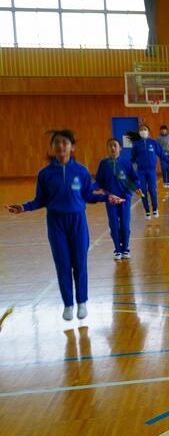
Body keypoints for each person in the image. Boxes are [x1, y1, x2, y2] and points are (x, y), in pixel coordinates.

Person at [5, 130, 125, 321]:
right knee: (63, 264)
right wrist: (24, 207)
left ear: (72, 147)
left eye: (65, 142)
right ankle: (68, 304)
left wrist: (106, 197)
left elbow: (87, 196)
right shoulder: (45, 174)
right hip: (56, 224)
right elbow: (40, 200)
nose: (61, 146)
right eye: (57, 143)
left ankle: (82, 302)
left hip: (77, 222)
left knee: (80, 263)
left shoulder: (81, 171)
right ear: (52, 147)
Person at [95, 138, 143, 260]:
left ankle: (125, 248)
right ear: (107, 148)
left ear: (120, 148)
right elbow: (99, 181)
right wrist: (90, 187)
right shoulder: (104, 164)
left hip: (125, 199)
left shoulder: (126, 163)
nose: (112, 148)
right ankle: (117, 249)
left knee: (125, 225)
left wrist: (134, 188)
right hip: (111, 199)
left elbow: (135, 179)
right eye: (110, 145)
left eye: (115, 145)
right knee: (114, 225)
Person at [127, 124, 169, 220]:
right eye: (141, 130)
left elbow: (162, 155)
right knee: (142, 191)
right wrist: (125, 165)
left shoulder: (153, 142)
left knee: (152, 190)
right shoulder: (136, 144)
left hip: (151, 171)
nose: (143, 131)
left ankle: (155, 209)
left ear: (148, 131)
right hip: (141, 171)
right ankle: (147, 211)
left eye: (145, 129)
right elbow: (132, 158)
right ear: (139, 132)